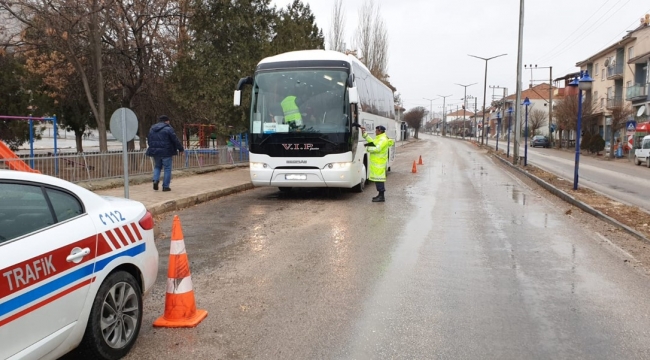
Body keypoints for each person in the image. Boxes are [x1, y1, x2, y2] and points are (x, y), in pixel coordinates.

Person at [146, 115, 184, 192]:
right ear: (166, 121)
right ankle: (165, 186)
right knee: (167, 168)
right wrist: (181, 149)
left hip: (155, 152)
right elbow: (175, 140)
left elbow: (149, 140)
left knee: (157, 167)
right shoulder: (169, 129)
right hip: (166, 152)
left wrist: (153, 147)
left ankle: (155, 180)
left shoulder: (152, 129)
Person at [361, 125, 395, 202]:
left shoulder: (383, 139)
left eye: (376, 130)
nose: (375, 132)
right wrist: (365, 135)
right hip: (377, 164)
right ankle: (380, 195)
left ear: (380, 131)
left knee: (379, 180)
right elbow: (372, 143)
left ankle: (381, 196)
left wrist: (367, 148)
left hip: (379, 164)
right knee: (378, 179)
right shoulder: (379, 138)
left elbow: (377, 148)